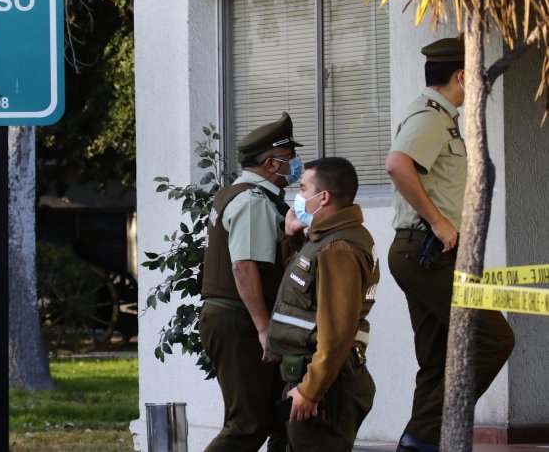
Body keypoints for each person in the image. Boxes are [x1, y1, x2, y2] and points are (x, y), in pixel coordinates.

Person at [385, 37, 515, 452]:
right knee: (495, 339)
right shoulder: (431, 116)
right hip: (427, 253)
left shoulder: (439, 116)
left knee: (437, 360)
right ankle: (426, 435)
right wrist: (440, 223)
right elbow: (397, 165)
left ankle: (417, 443)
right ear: (461, 75)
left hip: (421, 253)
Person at [199, 112, 303, 452]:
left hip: (239, 317)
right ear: (271, 165)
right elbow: (243, 267)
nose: (295, 165)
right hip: (240, 321)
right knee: (248, 424)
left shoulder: (241, 194)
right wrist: (263, 330)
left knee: (281, 419)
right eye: (289, 159)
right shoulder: (252, 201)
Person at [266, 157, 379, 452]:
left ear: (323, 197)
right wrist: (292, 237)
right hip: (308, 377)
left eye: (303, 189)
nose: (298, 197)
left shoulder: (338, 248)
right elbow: (302, 295)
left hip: (326, 389)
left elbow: (336, 333)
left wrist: (311, 392)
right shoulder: (324, 238)